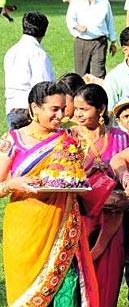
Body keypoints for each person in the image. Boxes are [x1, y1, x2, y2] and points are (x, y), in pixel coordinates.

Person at [0, 81, 99, 306]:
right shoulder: (12, 141)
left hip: (63, 228)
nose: (61, 115)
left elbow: (78, 176)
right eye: (54, 109)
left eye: (63, 109)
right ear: (35, 109)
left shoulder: (69, 140)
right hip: (25, 231)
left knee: (67, 290)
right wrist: (12, 183)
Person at [72, 84, 129, 307]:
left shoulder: (121, 139)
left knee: (108, 281)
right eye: (76, 109)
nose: (77, 114)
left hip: (113, 222)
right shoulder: (69, 139)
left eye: (84, 109)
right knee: (79, 284)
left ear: (101, 109)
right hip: (81, 220)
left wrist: (127, 201)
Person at [4, 12, 55, 130]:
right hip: (29, 112)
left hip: (12, 109)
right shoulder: (38, 54)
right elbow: (43, 88)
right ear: (43, 31)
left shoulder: (12, 51)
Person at [66, 0, 118, 78]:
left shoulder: (104, 2)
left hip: (99, 42)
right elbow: (69, 19)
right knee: (81, 75)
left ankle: (98, 93)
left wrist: (113, 41)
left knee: (99, 74)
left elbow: (110, 21)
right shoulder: (77, 1)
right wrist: (77, 26)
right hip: (82, 41)